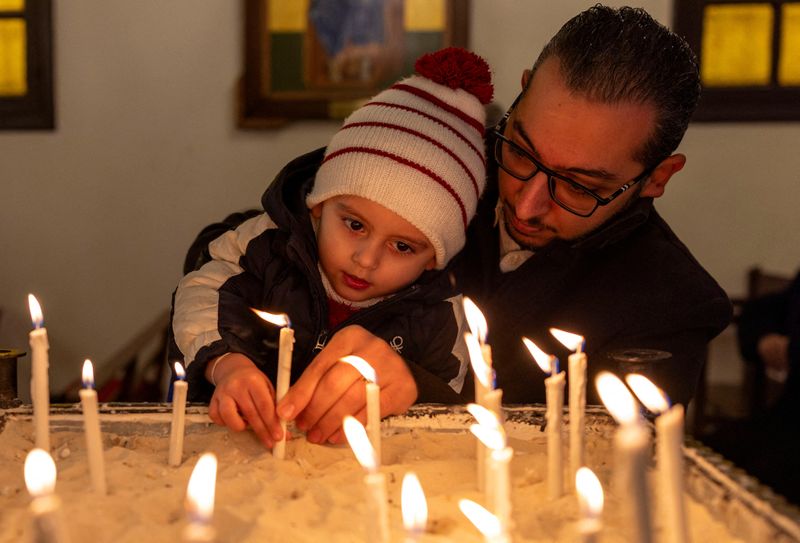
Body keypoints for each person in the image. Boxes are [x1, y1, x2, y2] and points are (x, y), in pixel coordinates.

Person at [272, 5, 732, 444]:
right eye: (521, 151)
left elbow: (595, 463)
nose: (526, 203)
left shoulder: (673, 305)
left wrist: (421, 389)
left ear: (657, 178)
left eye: (578, 186)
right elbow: (245, 241)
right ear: (523, 93)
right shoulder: (441, 159)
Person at [169, 48, 493, 448]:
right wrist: (227, 364)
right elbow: (202, 291)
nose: (367, 258)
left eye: (404, 247)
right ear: (319, 208)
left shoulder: (442, 317)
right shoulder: (267, 249)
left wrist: (410, 388)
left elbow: (451, 417)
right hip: (241, 446)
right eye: (355, 225)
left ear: (434, 261)